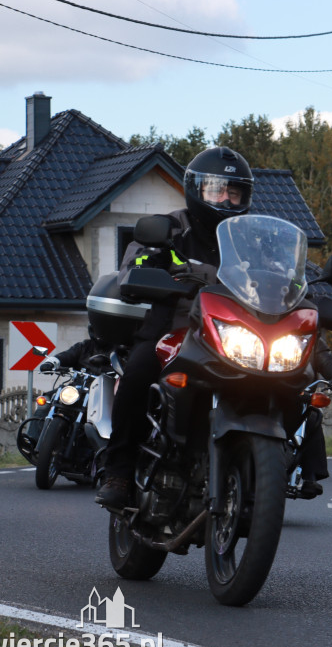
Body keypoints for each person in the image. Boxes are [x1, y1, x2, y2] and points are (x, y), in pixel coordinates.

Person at [94, 146, 254, 509]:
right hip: (175, 328)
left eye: (234, 191)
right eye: (217, 189)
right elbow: (133, 264)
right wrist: (144, 269)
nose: (226, 198)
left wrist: (304, 290)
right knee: (137, 372)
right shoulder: (171, 227)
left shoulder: (250, 237)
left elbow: (284, 277)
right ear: (197, 190)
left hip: (236, 334)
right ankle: (118, 470)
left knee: (295, 377)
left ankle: (297, 465)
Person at [295, 335, 332, 499]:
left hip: (295, 396)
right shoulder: (245, 330)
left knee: (312, 417)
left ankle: (310, 475)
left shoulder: (306, 337)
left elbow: (326, 360)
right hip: (253, 393)